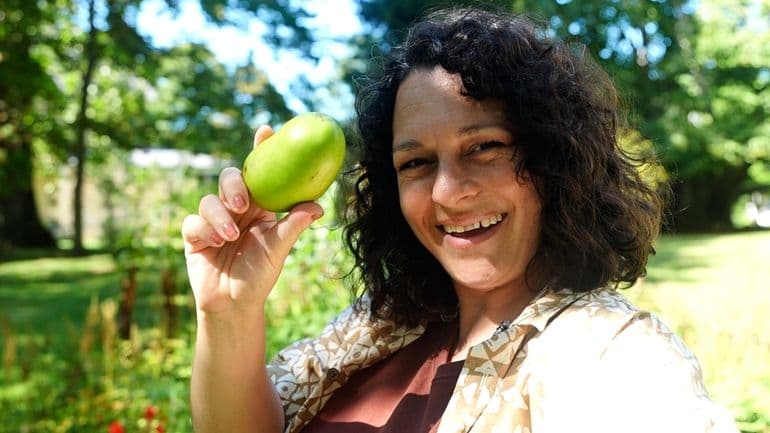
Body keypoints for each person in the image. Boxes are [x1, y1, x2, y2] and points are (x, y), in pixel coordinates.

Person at [181, 7, 739, 433]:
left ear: (554, 160)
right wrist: (229, 311)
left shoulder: (608, 351)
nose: (448, 192)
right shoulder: (382, 325)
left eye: (484, 147)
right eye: (416, 163)